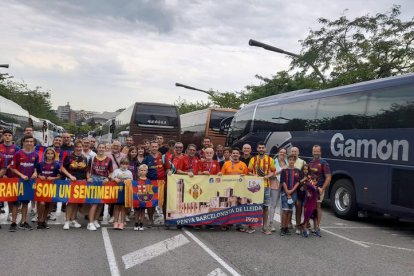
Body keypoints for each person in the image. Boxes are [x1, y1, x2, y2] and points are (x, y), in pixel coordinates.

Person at [9, 135, 38, 232]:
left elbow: (36, 167)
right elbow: (12, 168)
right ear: (23, 142)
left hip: (29, 182)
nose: (29, 143)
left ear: (33, 143)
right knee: (16, 203)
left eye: (31, 141)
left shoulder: (36, 154)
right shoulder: (18, 153)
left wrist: (35, 172)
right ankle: (13, 223)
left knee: (25, 203)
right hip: (19, 181)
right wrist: (21, 175)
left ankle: (23, 222)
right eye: (27, 141)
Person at [248, 142, 276, 235]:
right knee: (253, 206)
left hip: (266, 186)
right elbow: (249, 171)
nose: (261, 149)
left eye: (262, 148)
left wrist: (268, 176)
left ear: (265, 149)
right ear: (257, 149)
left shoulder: (270, 159)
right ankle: (251, 226)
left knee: (265, 207)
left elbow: (273, 171)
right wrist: (254, 175)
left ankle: (264, 227)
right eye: (259, 148)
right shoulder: (253, 159)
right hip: (254, 186)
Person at [60, 139, 88, 230]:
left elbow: (86, 170)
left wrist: (87, 178)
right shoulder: (69, 157)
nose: (79, 148)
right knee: (70, 202)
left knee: (76, 202)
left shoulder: (84, 158)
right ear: (74, 147)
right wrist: (69, 176)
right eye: (77, 147)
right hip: (71, 182)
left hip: (81, 182)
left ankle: (73, 220)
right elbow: (62, 168)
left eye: (80, 147)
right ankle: (67, 221)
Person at [221, 147, 249, 232]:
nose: (235, 154)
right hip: (228, 188)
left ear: (239, 155)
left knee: (239, 206)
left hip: (239, 189)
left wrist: (245, 176)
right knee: (227, 205)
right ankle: (226, 223)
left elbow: (246, 177)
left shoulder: (243, 165)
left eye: (237, 153)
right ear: (231, 154)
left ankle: (239, 224)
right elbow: (222, 175)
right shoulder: (226, 164)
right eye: (234, 153)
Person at [87, 143, 114, 230]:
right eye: (100, 147)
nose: (101, 149)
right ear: (97, 148)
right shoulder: (92, 159)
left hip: (103, 182)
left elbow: (111, 172)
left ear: (105, 149)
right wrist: (88, 178)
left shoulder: (109, 160)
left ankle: (95, 220)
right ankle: (90, 223)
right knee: (94, 203)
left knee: (101, 203)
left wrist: (108, 178)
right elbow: (87, 171)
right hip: (94, 182)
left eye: (103, 148)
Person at [308, 145, 331, 237]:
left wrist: (322, 189)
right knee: (311, 207)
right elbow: (308, 176)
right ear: (312, 152)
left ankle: (317, 226)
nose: (316, 153)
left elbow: (328, 177)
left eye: (317, 151)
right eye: (314, 151)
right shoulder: (310, 163)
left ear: (320, 152)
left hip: (319, 189)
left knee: (317, 206)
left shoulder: (324, 163)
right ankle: (310, 225)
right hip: (311, 189)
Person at [35, 148, 61, 229]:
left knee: (48, 205)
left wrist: (53, 178)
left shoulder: (57, 164)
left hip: (51, 187)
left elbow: (59, 176)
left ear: (54, 155)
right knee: (42, 203)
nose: (50, 155)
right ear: (45, 154)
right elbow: (36, 174)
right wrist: (39, 176)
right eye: (48, 153)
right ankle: (39, 219)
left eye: (51, 154)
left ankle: (44, 220)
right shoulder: (40, 164)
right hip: (41, 187)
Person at [143, 141, 167, 221]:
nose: (154, 148)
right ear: (150, 148)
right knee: (151, 202)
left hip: (162, 183)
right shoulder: (146, 158)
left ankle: (166, 219)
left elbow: (168, 168)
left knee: (163, 201)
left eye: (155, 146)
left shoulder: (163, 157)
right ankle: (150, 220)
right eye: (152, 146)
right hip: (151, 183)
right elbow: (142, 171)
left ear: (158, 147)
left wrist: (169, 171)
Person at [279, 154, 301, 236]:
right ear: (287, 160)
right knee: (285, 210)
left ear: (295, 161)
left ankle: (287, 228)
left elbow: (298, 182)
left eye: (293, 160)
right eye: (290, 160)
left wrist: (291, 191)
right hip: (285, 192)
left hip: (294, 193)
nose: (291, 161)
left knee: (290, 211)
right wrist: (287, 191)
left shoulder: (297, 171)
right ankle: (282, 227)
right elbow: (283, 181)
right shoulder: (284, 170)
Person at [269, 148, 287, 232]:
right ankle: (271, 223)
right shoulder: (273, 161)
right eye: (281, 152)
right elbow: (270, 174)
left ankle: (282, 224)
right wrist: (279, 172)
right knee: (273, 204)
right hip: (274, 185)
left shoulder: (287, 162)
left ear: (286, 154)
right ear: (278, 153)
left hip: (284, 186)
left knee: (282, 206)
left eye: (284, 153)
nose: (282, 154)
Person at [112, 158, 133, 230]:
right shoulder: (116, 171)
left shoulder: (129, 172)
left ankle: (122, 222)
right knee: (117, 207)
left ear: (128, 165)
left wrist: (128, 180)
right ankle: (115, 222)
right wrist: (115, 179)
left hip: (125, 191)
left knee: (123, 208)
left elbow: (131, 180)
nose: (124, 166)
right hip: (118, 191)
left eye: (126, 164)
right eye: (123, 164)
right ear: (120, 164)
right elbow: (112, 178)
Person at [298, 164, 318, 238]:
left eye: (307, 169)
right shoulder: (300, 176)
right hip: (301, 196)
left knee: (310, 212)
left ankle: (312, 227)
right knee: (305, 211)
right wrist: (304, 180)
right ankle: (304, 227)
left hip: (309, 198)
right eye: (304, 169)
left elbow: (314, 185)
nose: (305, 171)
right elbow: (300, 185)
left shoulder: (311, 177)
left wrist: (310, 181)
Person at [290, 146, 307, 234]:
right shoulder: (288, 161)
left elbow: (306, 175)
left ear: (298, 152)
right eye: (292, 151)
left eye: (295, 151)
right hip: (291, 187)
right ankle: (291, 224)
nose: (294, 153)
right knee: (290, 206)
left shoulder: (303, 162)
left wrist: (303, 185)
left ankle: (301, 225)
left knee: (299, 206)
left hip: (300, 188)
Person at [134, 164, 150, 231]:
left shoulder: (149, 180)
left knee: (143, 211)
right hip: (137, 197)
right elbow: (133, 187)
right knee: (137, 211)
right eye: (141, 170)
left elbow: (151, 189)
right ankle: (136, 223)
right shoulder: (136, 179)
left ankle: (141, 223)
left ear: (147, 171)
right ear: (139, 171)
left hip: (144, 198)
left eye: (144, 170)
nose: (143, 172)